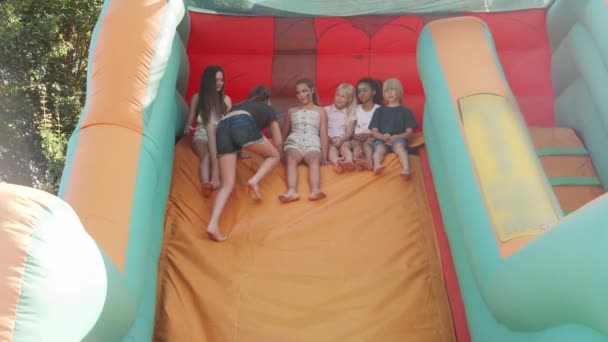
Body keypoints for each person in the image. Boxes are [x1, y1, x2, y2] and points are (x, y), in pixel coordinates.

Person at [206, 85, 282, 242]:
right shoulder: (268, 108)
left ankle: (213, 224)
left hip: (222, 127)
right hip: (242, 123)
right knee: (274, 156)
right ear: (267, 99)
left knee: (227, 184)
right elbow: (278, 141)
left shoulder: (239, 105)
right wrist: (272, 155)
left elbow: (235, 135)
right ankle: (254, 180)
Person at [279, 78, 329, 203]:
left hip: (312, 142)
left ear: (312, 90)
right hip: (294, 142)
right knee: (290, 158)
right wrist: (279, 150)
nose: (301, 95)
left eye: (304, 91)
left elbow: (323, 134)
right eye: (298, 92)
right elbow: (283, 134)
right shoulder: (292, 111)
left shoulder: (321, 111)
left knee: (314, 159)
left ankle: (315, 190)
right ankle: (291, 191)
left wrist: (325, 156)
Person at [185, 65, 232, 196]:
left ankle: (216, 177)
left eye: (221, 80)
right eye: (216, 80)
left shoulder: (226, 100)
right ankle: (206, 183)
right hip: (201, 135)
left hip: (218, 137)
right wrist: (187, 127)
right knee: (206, 155)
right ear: (208, 81)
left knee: (217, 154)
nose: (219, 83)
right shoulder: (198, 98)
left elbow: (228, 125)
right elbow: (189, 120)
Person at [369, 78, 418, 180]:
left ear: (399, 91)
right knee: (379, 149)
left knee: (400, 147)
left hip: (398, 139)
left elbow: (409, 133)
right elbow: (374, 131)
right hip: (382, 139)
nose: (389, 93)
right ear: (383, 93)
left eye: (392, 90)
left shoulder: (406, 111)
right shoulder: (379, 111)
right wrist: (383, 138)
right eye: (386, 90)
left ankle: (406, 169)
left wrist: (396, 137)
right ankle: (377, 165)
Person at [325, 83, 357, 173]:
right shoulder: (326, 110)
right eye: (338, 95)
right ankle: (337, 163)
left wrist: (341, 140)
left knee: (345, 148)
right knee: (331, 150)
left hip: (344, 139)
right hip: (329, 139)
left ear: (349, 100)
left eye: (343, 97)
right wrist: (330, 139)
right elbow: (322, 129)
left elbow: (349, 132)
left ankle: (349, 162)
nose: (339, 98)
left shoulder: (350, 114)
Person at [352, 78, 383, 171]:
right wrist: (354, 135)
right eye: (359, 91)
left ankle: (369, 162)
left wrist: (369, 135)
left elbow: (383, 129)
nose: (362, 93)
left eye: (365, 90)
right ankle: (358, 160)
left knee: (367, 143)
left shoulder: (379, 109)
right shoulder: (355, 109)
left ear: (373, 92)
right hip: (357, 139)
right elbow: (351, 126)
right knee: (355, 144)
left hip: (372, 139)